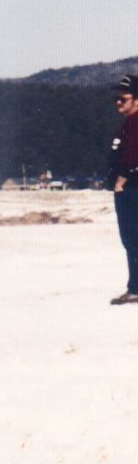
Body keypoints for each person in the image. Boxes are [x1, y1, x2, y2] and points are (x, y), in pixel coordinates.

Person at [108, 75, 138, 305]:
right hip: (129, 188)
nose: (118, 102)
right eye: (117, 98)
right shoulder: (129, 121)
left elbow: (132, 156)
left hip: (131, 190)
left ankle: (135, 288)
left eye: (123, 98)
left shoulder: (135, 122)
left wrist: (121, 181)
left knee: (132, 238)